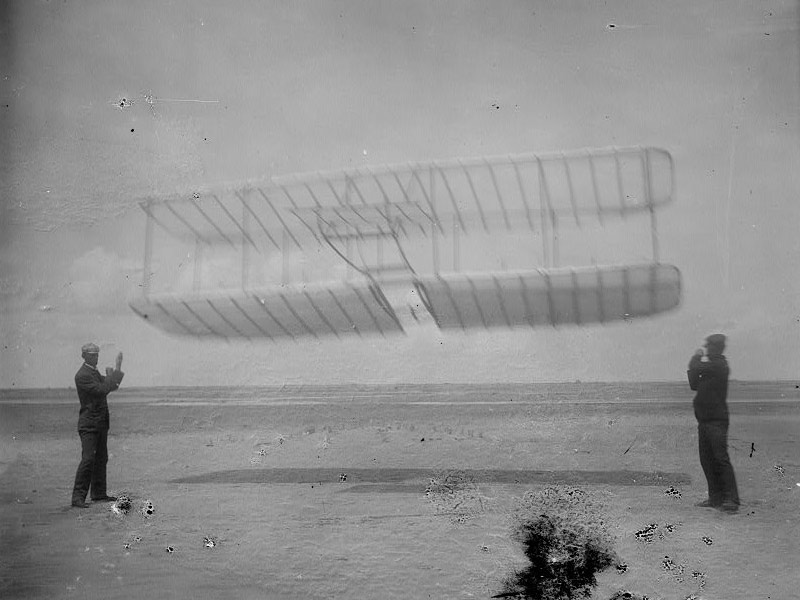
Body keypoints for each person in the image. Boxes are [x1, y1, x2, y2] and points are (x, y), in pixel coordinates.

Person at [687, 333, 739, 513]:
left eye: (709, 346)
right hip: (704, 420)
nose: (707, 349)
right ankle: (716, 498)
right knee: (707, 460)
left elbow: (695, 366)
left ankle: (731, 499)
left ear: (717, 348)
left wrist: (696, 356)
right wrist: (696, 365)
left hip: (716, 421)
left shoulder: (719, 365)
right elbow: (693, 384)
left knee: (720, 459)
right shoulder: (710, 368)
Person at [71, 343, 125, 508]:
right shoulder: (82, 375)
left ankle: (99, 494)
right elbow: (102, 389)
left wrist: (117, 367)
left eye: (97, 355)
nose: (96, 357)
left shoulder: (93, 372)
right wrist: (109, 376)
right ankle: (77, 498)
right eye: (93, 355)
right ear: (84, 356)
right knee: (88, 459)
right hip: (89, 425)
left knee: (101, 458)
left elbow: (112, 386)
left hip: (100, 423)